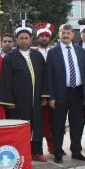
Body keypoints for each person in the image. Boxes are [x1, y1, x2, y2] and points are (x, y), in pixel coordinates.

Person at [0, 20, 49, 162]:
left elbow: (45, 77)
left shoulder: (38, 56)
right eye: (21, 38)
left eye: (26, 38)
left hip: (37, 99)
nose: (24, 41)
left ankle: (36, 152)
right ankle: (21, 153)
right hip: (18, 101)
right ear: (16, 40)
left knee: (37, 126)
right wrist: (9, 102)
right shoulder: (9, 58)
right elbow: (5, 81)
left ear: (31, 39)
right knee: (21, 128)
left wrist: (45, 96)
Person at [46, 24, 85, 163]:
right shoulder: (53, 52)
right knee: (58, 124)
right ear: (59, 34)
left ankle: (76, 151)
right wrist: (51, 97)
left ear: (73, 35)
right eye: (63, 32)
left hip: (77, 91)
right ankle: (58, 153)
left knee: (77, 123)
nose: (65, 35)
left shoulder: (80, 51)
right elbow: (49, 76)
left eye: (68, 33)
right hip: (60, 93)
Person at [35, 22, 56, 153]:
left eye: (46, 36)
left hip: (54, 92)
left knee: (53, 121)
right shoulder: (33, 52)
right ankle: (38, 149)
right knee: (40, 122)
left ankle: (53, 147)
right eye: (41, 36)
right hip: (38, 93)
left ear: (50, 38)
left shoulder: (55, 52)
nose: (44, 38)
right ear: (38, 38)